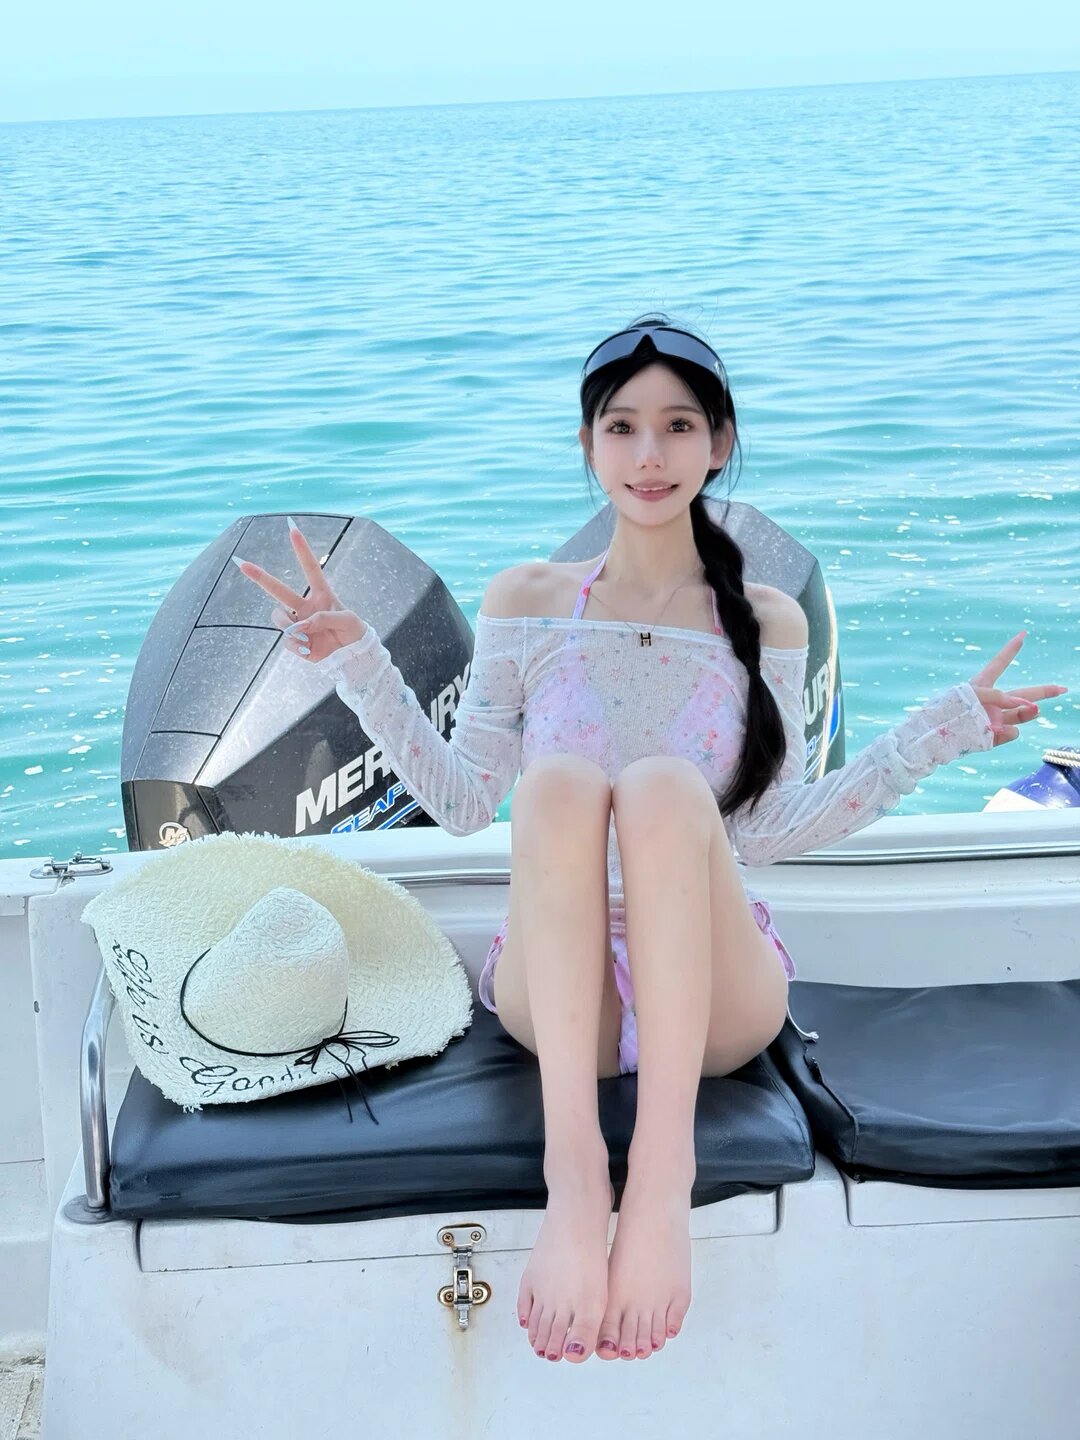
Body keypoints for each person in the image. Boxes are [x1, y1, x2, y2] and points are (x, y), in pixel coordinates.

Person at [234, 313, 1066, 1368]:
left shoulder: (766, 620)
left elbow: (767, 829)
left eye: (678, 426)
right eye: (622, 427)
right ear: (589, 445)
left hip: (717, 995)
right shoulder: (527, 601)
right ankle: (576, 1179)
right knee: (559, 788)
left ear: (720, 443)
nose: (649, 454)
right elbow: (464, 800)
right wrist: (357, 660)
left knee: (666, 791)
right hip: (561, 996)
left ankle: (662, 1182)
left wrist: (937, 734)